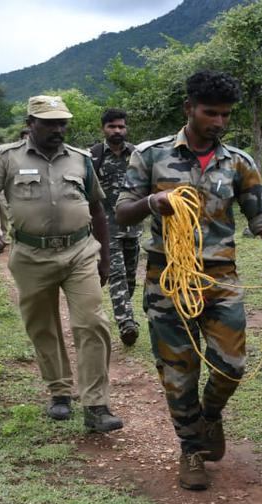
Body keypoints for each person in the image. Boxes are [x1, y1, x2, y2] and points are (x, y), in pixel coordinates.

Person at [116, 71, 262, 491]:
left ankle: (209, 417)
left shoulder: (239, 162)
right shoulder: (151, 156)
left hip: (221, 280)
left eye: (225, 115)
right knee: (179, 374)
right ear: (189, 109)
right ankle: (191, 450)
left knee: (231, 367)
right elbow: (122, 211)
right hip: (168, 281)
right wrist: (152, 202)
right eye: (209, 112)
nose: (218, 122)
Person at [0, 95, 124, 434]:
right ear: (31, 124)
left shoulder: (81, 159)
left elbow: (98, 210)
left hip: (80, 252)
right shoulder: (6, 158)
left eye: (62, 122)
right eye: (50, 123)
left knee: (91, 323)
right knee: (43, 325)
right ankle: (59, 391)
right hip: (31, 255)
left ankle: (96, 405)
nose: (58, 129)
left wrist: (104, 258)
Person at [89, 108, 141, 347]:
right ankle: (127, 323)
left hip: (134, 226)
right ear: (103, 129)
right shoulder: (93, 157)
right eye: (112, 127)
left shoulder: (138, 155)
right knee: (117, 273)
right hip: (106, 227)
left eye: (121, 126)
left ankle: (123, 309)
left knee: (130, 278)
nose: (117, 131)